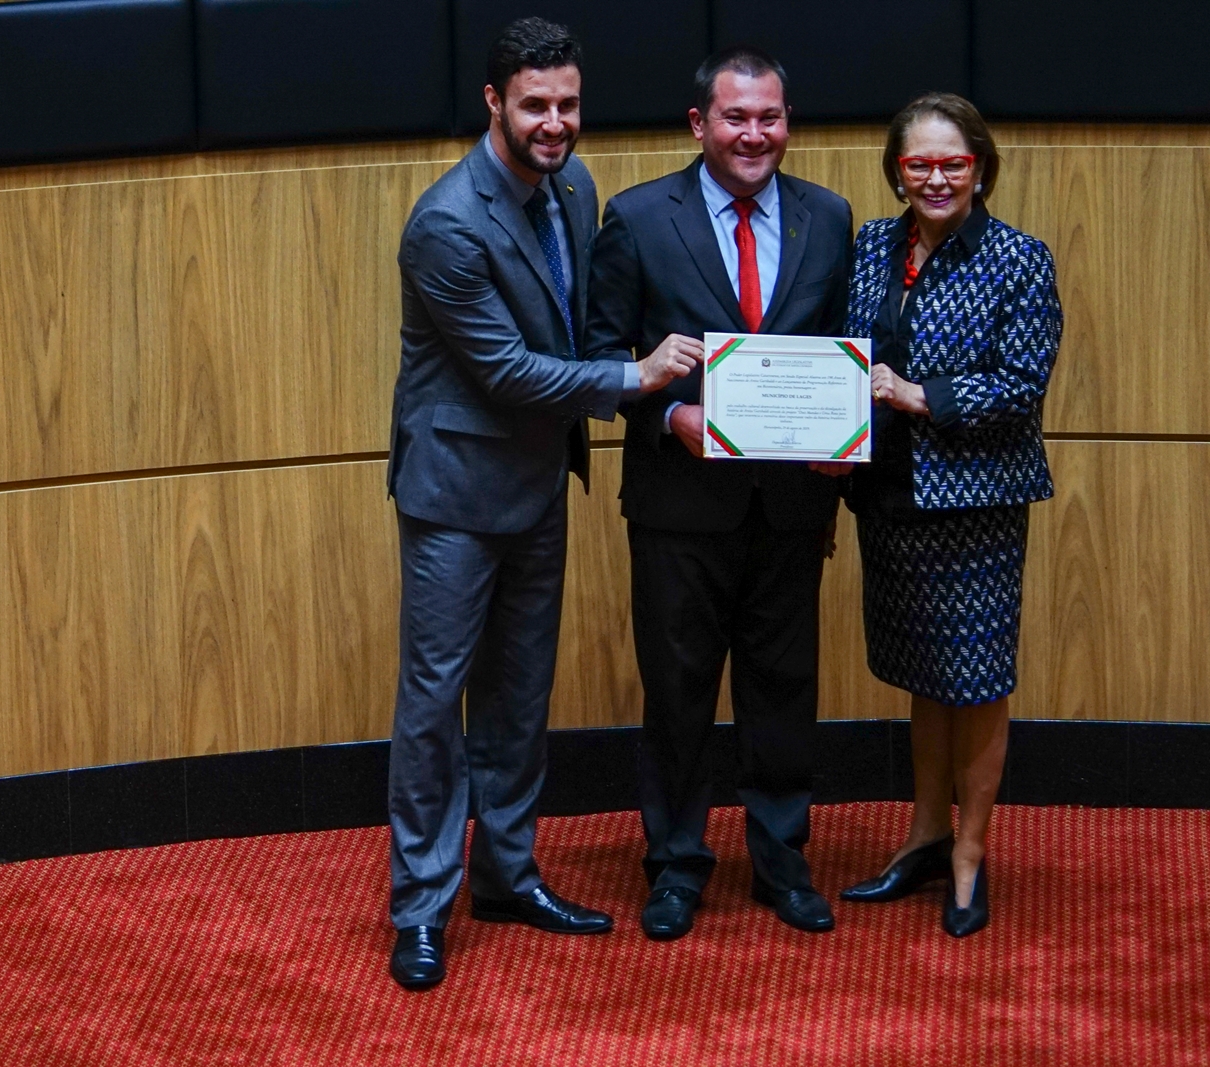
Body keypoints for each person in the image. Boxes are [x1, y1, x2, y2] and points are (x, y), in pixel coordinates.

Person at [384, 18, 698, 991]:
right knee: (435, 704)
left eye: (567, 102)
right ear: (493, 104)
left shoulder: (572, 185)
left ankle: (507, 875)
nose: (556, 122)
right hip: (454, 493)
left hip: (534, 482)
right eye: (535, 105)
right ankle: (421, 905)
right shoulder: (444, 222)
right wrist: (637, 376)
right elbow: (506, 369)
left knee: (519, 697)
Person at [584, 46, 853, 940]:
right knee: (678, 692)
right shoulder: (633, 219)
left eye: (770, 117)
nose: (755, 133)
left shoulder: (828, 216)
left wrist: (847, 435)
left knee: (784, 689)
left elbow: (842, 348)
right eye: (736, 117)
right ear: (699, 124)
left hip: (789, 507)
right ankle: (675, 866)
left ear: (788, 123)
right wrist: (668, 421)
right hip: (678, 508)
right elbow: (598, 361)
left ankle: (782, 860)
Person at [832, 93, 1061, 938]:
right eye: (917, 163)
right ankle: (925, 833)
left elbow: (1019, 383)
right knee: (926, 674)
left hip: (977, 506)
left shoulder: (1018, 260)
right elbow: (840, 360)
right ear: (897, 170)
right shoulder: (868, 249)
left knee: (979, 680)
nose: (934, 177)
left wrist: (919, 395)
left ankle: (969, 851)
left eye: (951, 163)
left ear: (980, 167)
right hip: (888, 496)